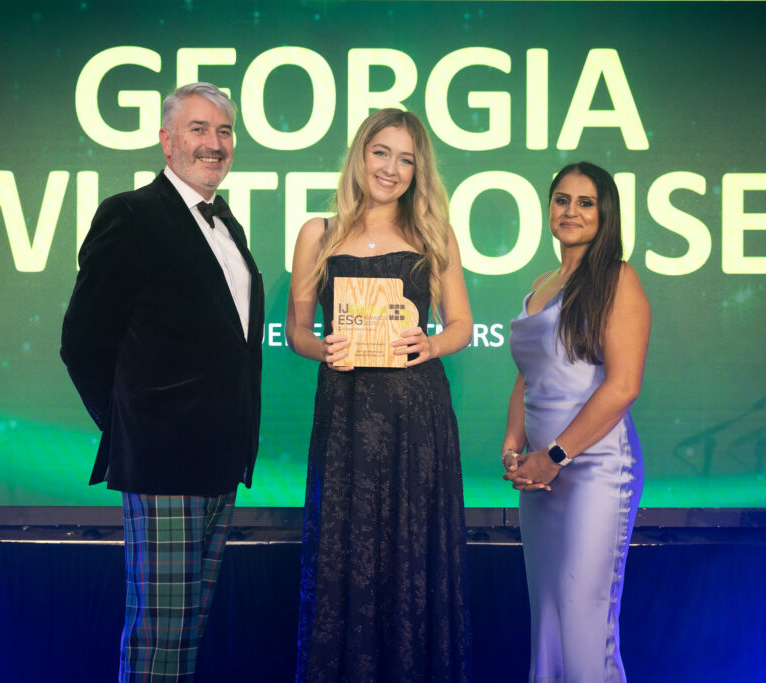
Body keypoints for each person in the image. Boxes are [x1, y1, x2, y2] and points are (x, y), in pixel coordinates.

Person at [60, 82, 264, 681]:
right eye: (198, 129)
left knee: (184, 632)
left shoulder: (226, 224)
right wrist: (137, 428)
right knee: (158, 637)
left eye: (224, 131)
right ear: (166, 140)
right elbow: (82, 342)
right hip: (163, 463)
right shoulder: (131, 214)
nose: (214, 143)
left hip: (220, 461)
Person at [286, 108, 474, 682]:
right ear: (360, 154)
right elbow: (297, 332)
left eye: (406, 159)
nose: (391, 169)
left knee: (413, 553)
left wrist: (431, 344)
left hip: (416, 416)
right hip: (345, 416)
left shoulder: (434, 234)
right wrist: (325, 350)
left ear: (419, 170)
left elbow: (462, 324)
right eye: (381, 152)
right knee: (347, 554)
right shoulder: (317, 232)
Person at [501, 161, 650, 682]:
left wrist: (556, 455)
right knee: (550, 625)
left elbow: (623, 387)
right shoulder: (543, 283)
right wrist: (514, 447)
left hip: (595, 473)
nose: (570, 211)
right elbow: (528, 378)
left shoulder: (617, 278)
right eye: (561, 199)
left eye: (585, 203)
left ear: (604, 213)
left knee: (585, 623)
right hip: (541, 482)